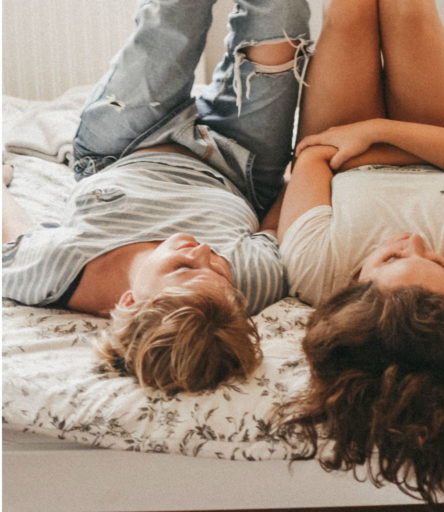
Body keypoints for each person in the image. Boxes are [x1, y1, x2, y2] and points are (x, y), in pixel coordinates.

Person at [276, 0, 444, 503]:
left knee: (350, 12)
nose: (414, 242)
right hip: (443, 141)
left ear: (354, 285)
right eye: (438, 261)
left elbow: (312, 156)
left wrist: (363, 137)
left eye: (391, 259)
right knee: (407, 7)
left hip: (381, 149)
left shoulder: (316, 269)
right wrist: (381, 132)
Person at [2, 0, 311, 394]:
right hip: (239, 164)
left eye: (183, 266)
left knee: (178, 13)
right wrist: (300, 167)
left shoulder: (58, 271)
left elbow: (11, 236)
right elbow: (278, 218)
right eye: (220, 270)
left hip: (125, 144)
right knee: (282, 15)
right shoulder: (249, 282)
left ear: (129, 302)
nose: (203, 251)